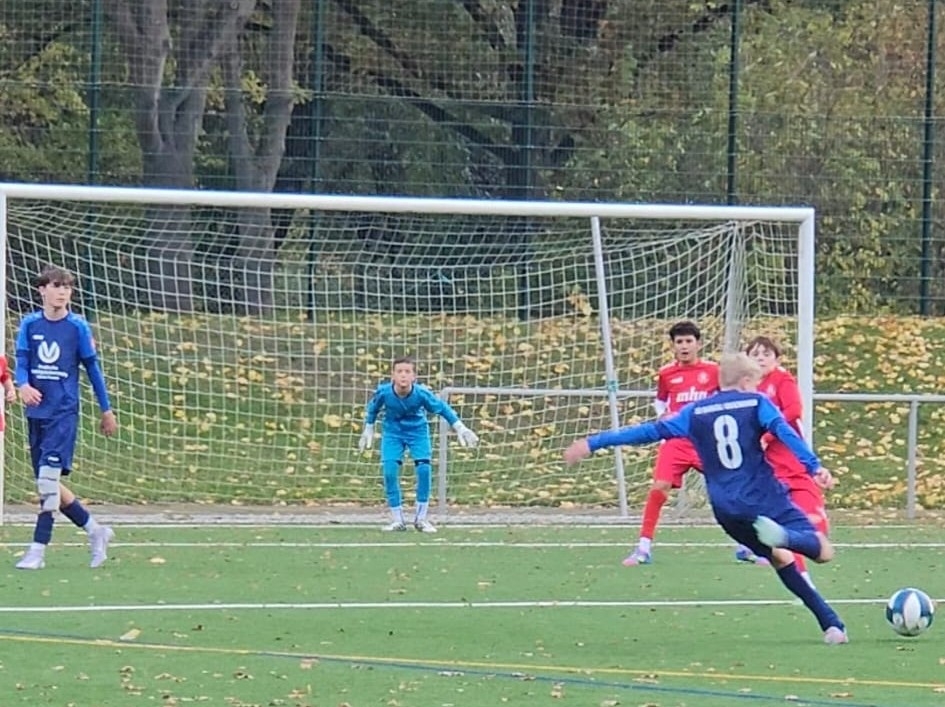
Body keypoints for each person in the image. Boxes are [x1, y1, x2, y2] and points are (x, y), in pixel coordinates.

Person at [564, 352, 848, 645]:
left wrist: (594, 442)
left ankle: (831, 625)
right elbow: (785, 432)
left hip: (726, 509)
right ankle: (786, 537)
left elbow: (649, 432)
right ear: (745, 381)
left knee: (780, 558)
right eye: (755, 383)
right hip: (763, 496)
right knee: (823, 550)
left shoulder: (695, 411)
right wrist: (814, 466)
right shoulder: (756, 403)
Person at [13, 265, 118, 570]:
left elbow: (93, 369)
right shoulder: (30, 324)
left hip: (63, 413)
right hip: (37, 413)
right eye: (56, 286)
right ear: (42, 290)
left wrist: (106, 409)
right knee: (49, 484)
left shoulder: (77, 327)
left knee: (47, 482)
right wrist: (23, 385)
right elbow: (22, 362)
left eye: (67, 287)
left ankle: (37, 550)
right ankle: (95, 530)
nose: (62, 292)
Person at [733, 336, 828, 586]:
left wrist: (766, 435)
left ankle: (755, 543)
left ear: (777, 359)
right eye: (755, 354)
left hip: (791, 463)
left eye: (766, 354)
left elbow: (794, 411)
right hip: (765, 468)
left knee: (815, 529)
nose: (761, 359)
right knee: (778, 523)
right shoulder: (746, 388)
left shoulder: (782, 380)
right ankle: (803, 580)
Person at [623, 320, 719, 566]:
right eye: (679, 342)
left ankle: (746, 546)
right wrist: (663, 415)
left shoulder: (713, 371)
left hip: (704, 442)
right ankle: (643, 547)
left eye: (689, 341)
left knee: (729, 489)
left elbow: (724, 398)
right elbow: (661, 401)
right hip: (675, 442)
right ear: (673, 346)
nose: (684, 346)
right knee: (659, 488)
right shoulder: (667, 373)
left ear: (698, 344)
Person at [358, 355, 479, 533]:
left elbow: (442, 408)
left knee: (424, 469)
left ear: (414, 376)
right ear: (393, 375)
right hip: (393, 433)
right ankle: (398, 520)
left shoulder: (421, 393)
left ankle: (421, 519)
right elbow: (373, 408)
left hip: (417, 432)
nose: (403, 375)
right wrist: (368, 428)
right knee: (389, 471)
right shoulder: (384, 392)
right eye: (399, 371)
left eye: (407, 372)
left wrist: (460, 428)